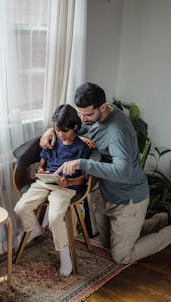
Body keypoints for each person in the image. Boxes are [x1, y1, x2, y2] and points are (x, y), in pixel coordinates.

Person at [41, 82, 171, 264]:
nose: (82, 119)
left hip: (128, 198)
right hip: (107, 193)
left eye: (87, 114)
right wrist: (50, 130)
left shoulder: (118, 131)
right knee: (106, 244)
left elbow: (123, 171)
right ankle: (161, 219)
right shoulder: (97, 116)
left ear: (102, 107)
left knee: (121, 256)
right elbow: (78, 128)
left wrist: (82, 163)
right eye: (79, 113)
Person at [14, 104, 90, 276]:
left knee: (55, 217)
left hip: (66, 188)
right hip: (45, 181)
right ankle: (35, 229)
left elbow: (84, 178)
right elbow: (43, 161)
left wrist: (69, 182)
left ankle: (64, 254)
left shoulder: (81, 148)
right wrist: (40, 170)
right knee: (20, 208)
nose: (60, 134)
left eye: (64, 131)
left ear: (75, 128)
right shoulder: (54, 139)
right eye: (57, 129)